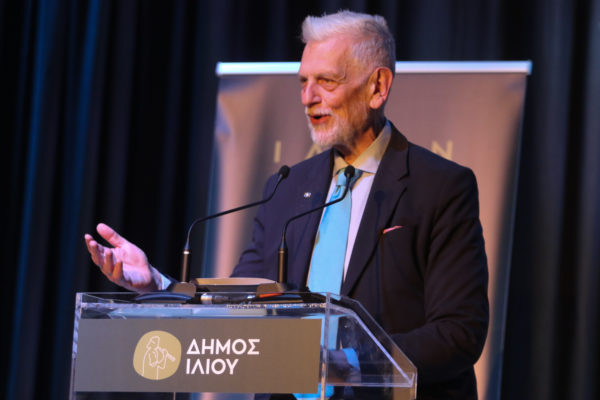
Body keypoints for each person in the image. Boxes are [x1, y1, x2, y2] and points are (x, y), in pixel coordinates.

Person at [85, 10, 488, 399]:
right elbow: (238, 306)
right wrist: (158, 285)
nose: (308, 98)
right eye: (303, 82)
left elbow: (458, 332)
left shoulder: (439, 186)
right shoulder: (288, 188)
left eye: (326, 81)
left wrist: (347, 363)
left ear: (377, 87)